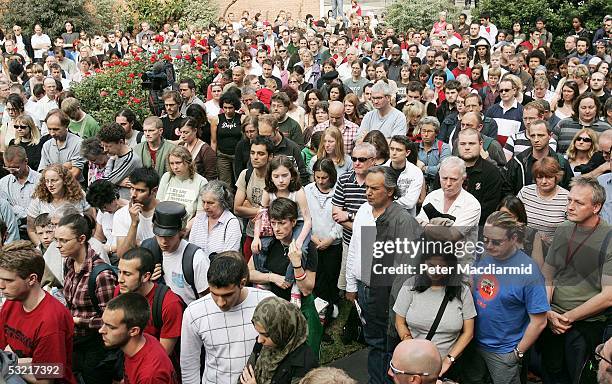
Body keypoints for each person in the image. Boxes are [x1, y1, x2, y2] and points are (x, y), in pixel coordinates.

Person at [346, 166, 422, 384]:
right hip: (365, 288)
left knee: (386, 346)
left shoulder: (403, 221)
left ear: (390, 191)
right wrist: (352, 283)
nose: (367, 192)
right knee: (374, 344)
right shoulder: (363, 211)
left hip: (387, 296)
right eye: (366, 187)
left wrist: (396, 310)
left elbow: (406, 270)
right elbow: (357, 247)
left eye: (374, 188)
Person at [463, 211, 549, 384]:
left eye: (496, 242)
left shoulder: (528, 271)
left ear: (513, 238)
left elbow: (539, 321)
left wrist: (517, 353)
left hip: (503, 353)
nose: (488, 246)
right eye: (485, 239)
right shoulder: (486, 258)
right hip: (473, 344)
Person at [540, 177, 611, 384]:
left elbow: (608, 297)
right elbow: (548, 273)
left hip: (585, 325)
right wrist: (547, 310)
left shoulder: (608, 238)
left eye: (578, 202)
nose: (570, 207)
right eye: (569, 200)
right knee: (551, 375)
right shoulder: (563, 228)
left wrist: (567, 318)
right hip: (551, 318)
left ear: (596, 207)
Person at [181, 251, 275, 384]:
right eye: (214, 294)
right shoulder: (194, 312)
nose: (220, 302)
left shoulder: (266, 302)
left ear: (242, 283)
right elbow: (189, 365)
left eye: (227, 295)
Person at [0, 240, 78, 384]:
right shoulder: (12, 300)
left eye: (8, 280)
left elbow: (45, 379)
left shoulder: (51, 319)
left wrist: (11, 364)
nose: (1, 286)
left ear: (32, 279)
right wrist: (22, 363)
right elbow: (3, 351)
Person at [59, 213, 118, 384]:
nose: (59, 246)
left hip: (96, 345)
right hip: (74, 341)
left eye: (64, 241)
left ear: (81, 239)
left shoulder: (101, 275)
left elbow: (110, 322)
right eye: (58, 240)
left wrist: (78, 320)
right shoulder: (69, 263)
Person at [115, 247, 184, 356]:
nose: (120, 279)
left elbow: (163, 354)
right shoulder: (120, 291)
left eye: (127, 274)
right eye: (119, 272)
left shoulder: (169, 304)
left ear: (146, 276)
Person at [100, 293, 179, 383]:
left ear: (134, 331)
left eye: (111, 327)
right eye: (104, 323)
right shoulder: (143, 340)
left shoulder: (149, 376)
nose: (101, 330)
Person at [240, 295, 319, 384]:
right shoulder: (264, 344)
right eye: (259, 333)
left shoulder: (304, 365)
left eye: (266, 335)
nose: (259, 340)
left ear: (285, 330)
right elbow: (245, 376)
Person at [416, 157, 481, 264]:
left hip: (459, 266)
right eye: (444, 178)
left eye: (453, 179)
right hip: (431, 263)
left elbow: (451, 236)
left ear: (463, 179)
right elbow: (417, 230)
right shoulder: (432, 196)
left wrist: (425, 225)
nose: (448, 183)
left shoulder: (472, 204)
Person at [146, 201, 210, 304]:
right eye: (159, 235)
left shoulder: (196, 259)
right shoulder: (149, 250)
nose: (163, 241)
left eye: (169, 236)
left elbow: (207, 299)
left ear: (182, 231)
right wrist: (148, 281)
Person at [27, 163, 93, 245]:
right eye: (47, 181)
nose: (50, 185)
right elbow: (31, 230)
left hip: (75, 244)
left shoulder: (79, 195)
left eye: (54, 180)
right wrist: (42, 248)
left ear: (65, 180)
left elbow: (91, 223)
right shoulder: (38, 198)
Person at [234, 135, 274, 261]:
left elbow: (279, 211)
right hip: (251, 234)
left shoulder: (276, 178)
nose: (255, 157)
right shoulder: (246, 174)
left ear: (270, 156)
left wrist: (250, 209)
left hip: (273, 236)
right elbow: (237, 209)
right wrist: (263, 212)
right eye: (252, 153)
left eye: (261, 153)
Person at [517, 157, 570, 247]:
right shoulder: (525, 192)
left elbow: (571, 231)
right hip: (524, 245)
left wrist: (549, 241)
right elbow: (513, 217)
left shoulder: (567, 198)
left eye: (549, 177)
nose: (544, 181)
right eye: (540, 177)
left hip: (553, 249)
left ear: (556, 177)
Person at [189, 180, 241, 259]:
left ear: (222, 202)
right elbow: (191, 249)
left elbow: (230, 257)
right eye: (203, 202)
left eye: (210, 203)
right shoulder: (199, 219)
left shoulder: (231, 223)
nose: (205, 207)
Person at [114, 167, 160, 258]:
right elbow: (122, 255)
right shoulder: (121, 214)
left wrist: (140, 244)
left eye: (140, 190)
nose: (133, 195)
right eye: (132, 188)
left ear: (154, 191)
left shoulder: (165, 212)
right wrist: (134, 224)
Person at [157, 145, 208, 223]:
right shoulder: (167, 177)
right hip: (165, 224)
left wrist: (186, 229)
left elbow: (200, 214)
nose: (175, 167)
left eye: (178, 163)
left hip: (188, 226)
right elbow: (158, 205)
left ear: (188, 162)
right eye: (172, 163)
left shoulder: (201, 181)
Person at [257, 114, 310, 185]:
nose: (265, 140)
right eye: (261, 136)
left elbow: (302, 175)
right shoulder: (258, 146)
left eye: (268, 136)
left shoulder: (292, 148)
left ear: (277, 130)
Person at [0, 145, 40, 238]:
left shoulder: (41, 181)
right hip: (12, 232)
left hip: (37, 232)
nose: (11, 172)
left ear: (26, 161)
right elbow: (4, 211)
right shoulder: (3, 183)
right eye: (8, 168)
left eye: (15, 168)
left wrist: (15, 209)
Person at [97, 122, 143, 200]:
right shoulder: (115, 155)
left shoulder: (131, 159)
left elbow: (104, 182)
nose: (105, 150)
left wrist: (115, 182)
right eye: (103, 146)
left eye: (108, 146)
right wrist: (119, 182)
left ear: (121, 142)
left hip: (126, 202)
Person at [86, 179, 128, 261]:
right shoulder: (103, 213)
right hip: (105, 254)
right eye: (100, 208)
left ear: (113, 198)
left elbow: (132, 242)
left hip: (122, 256)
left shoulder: (129, 210)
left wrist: (109, 249)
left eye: (105, 206)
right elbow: (98, 237)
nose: (103, 211)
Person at [38, 109, 86, 181]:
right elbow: (43, 172)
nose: (52, 133)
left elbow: (75, 173)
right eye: (49, 129)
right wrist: (64, 167)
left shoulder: (78, 143)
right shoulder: (47, 145)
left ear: (66, 126)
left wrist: (52, 171)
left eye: (56, 129)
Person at [385, 135, 424, 215]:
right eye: (392, 149)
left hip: (406, 219)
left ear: (407, 153)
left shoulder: (416, 172)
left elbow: (410, 202)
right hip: (383, 219)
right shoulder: (381, 170)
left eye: (398, 150)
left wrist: (386, 204)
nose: (394, 153)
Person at [212, 91, 243, 187]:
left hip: (237, 155)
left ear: (235, 107)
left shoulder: (242, 119)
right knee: (225, 183)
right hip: (222, 155)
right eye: (225, 108)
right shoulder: (216, 119)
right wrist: (214, 158)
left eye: (230, 108)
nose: (228, 111)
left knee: (239, 182)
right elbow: (213, 141)